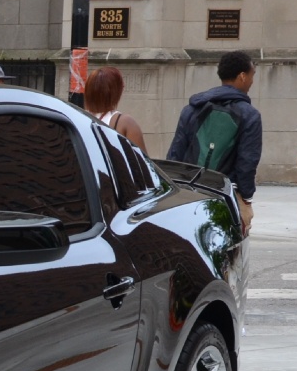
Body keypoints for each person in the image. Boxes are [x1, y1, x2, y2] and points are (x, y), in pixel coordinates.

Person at [167, 50, 262, 234]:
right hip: (224, 195)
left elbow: (175, 153)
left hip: (188, 193)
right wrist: (246, 198)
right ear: (242, 76)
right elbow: (247, 162)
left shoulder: (191, 109)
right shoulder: (250, 115)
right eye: (252, 75)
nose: (252, 81)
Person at [81, 66, 146, 149]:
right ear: (114, 92)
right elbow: (141, 157)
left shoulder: (77, 118)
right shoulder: (125, 123)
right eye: (121, 86)